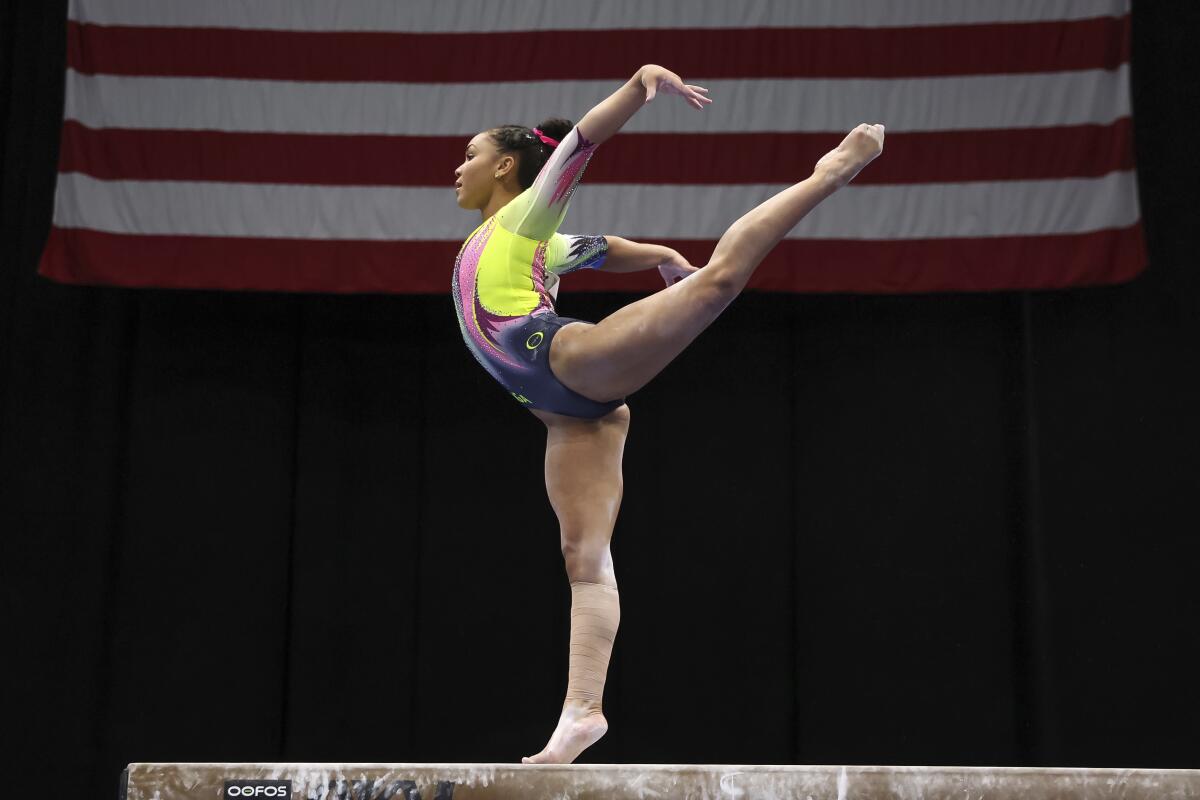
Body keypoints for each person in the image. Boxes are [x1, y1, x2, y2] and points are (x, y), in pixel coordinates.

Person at [450, 63, 884, 764]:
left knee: (716, 283)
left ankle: (828, 173)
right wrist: (657, 254)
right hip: (565, 413)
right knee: (584, 560)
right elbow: (601, 249)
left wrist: (640, 84)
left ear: (505, 165)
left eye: (469, 155)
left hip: (561, 359)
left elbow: (584, 142)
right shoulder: (525, 242)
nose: (457, 168)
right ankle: (582, 713)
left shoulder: (528, 213)